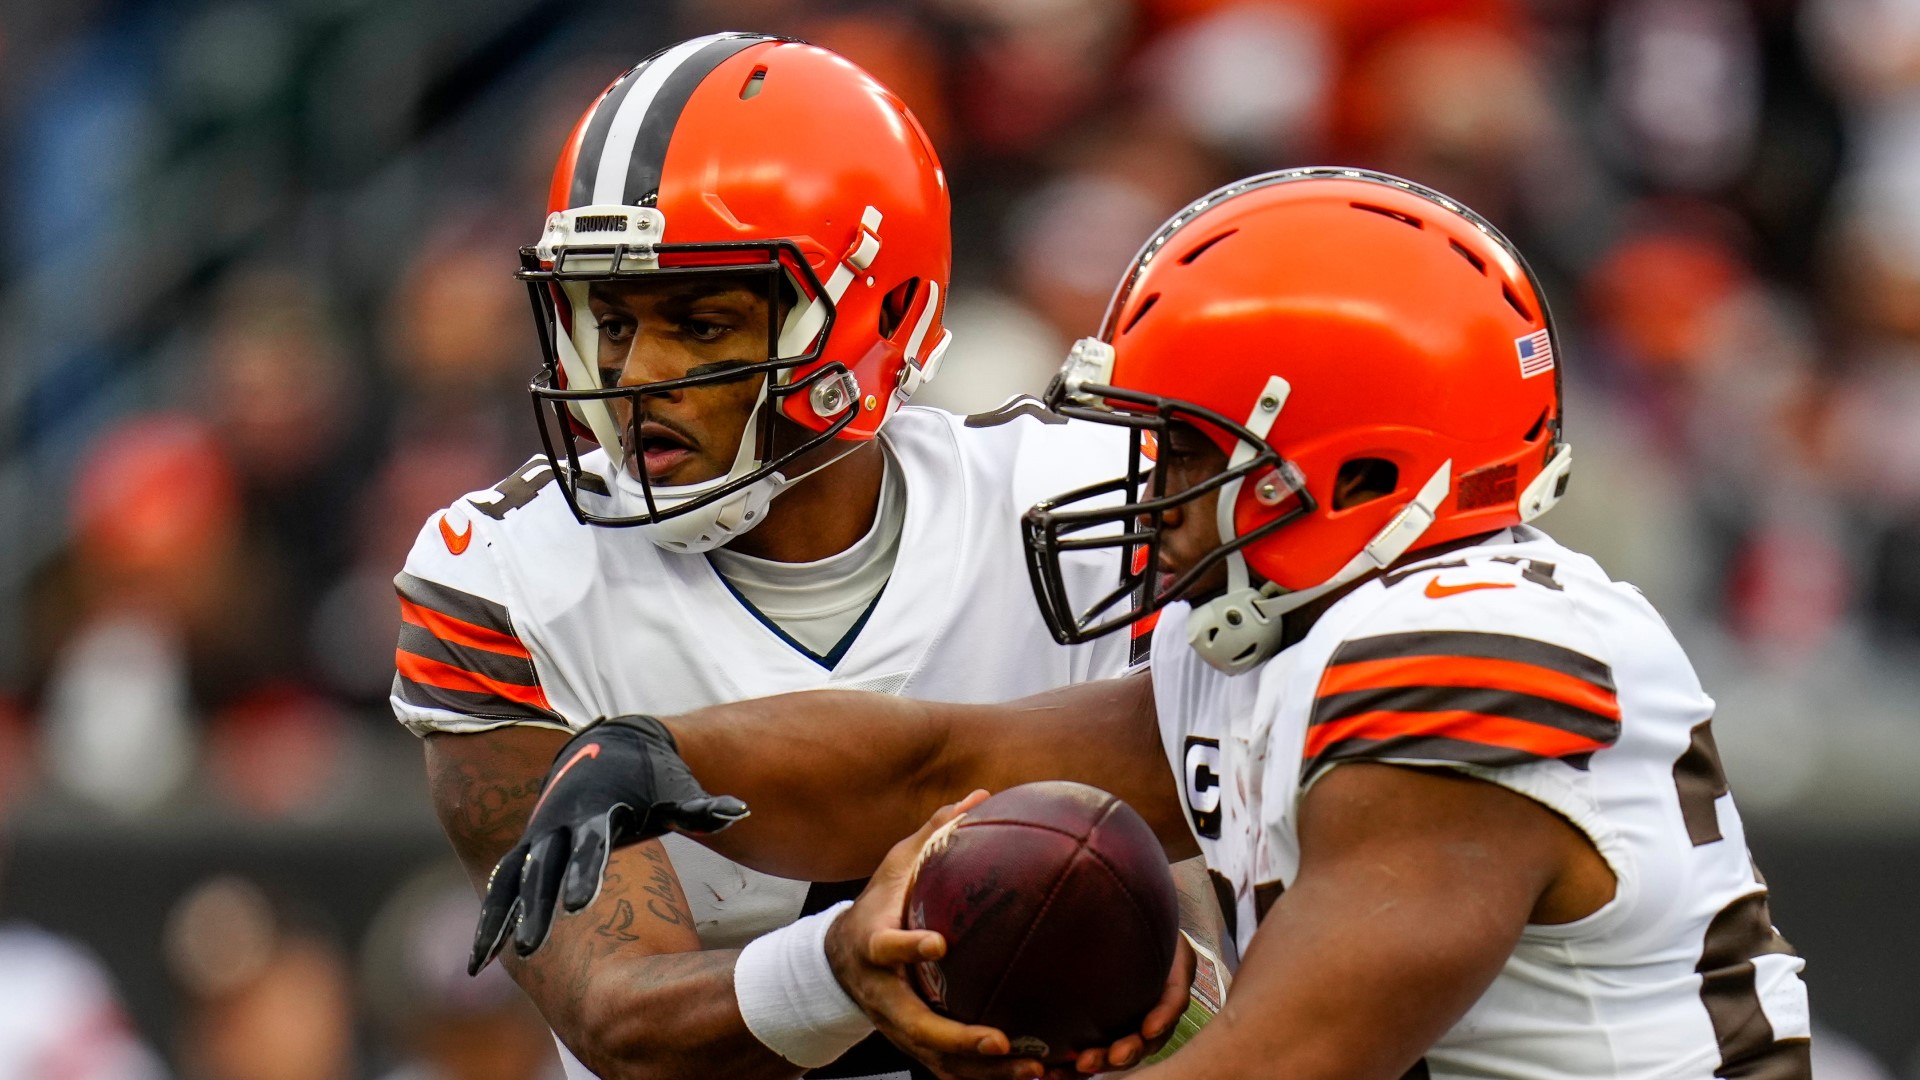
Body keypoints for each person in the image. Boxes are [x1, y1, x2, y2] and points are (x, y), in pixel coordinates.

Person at [474, 169, 1815, 1080]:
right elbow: (939, 764)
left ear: (1354, 467)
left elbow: (1271, 1070)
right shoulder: (1295, 639)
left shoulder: (1469, 659)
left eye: (1181, 451)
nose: (1145, 494)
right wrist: (659, 756)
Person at [393, 32, 1219, 1080]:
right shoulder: (504, 580)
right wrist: (834, 972)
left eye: (697, 322)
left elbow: (1218, 877)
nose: (631, 373)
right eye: (607, 319)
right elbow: (613, 1014)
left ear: (880, 317)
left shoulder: (1081, 504)